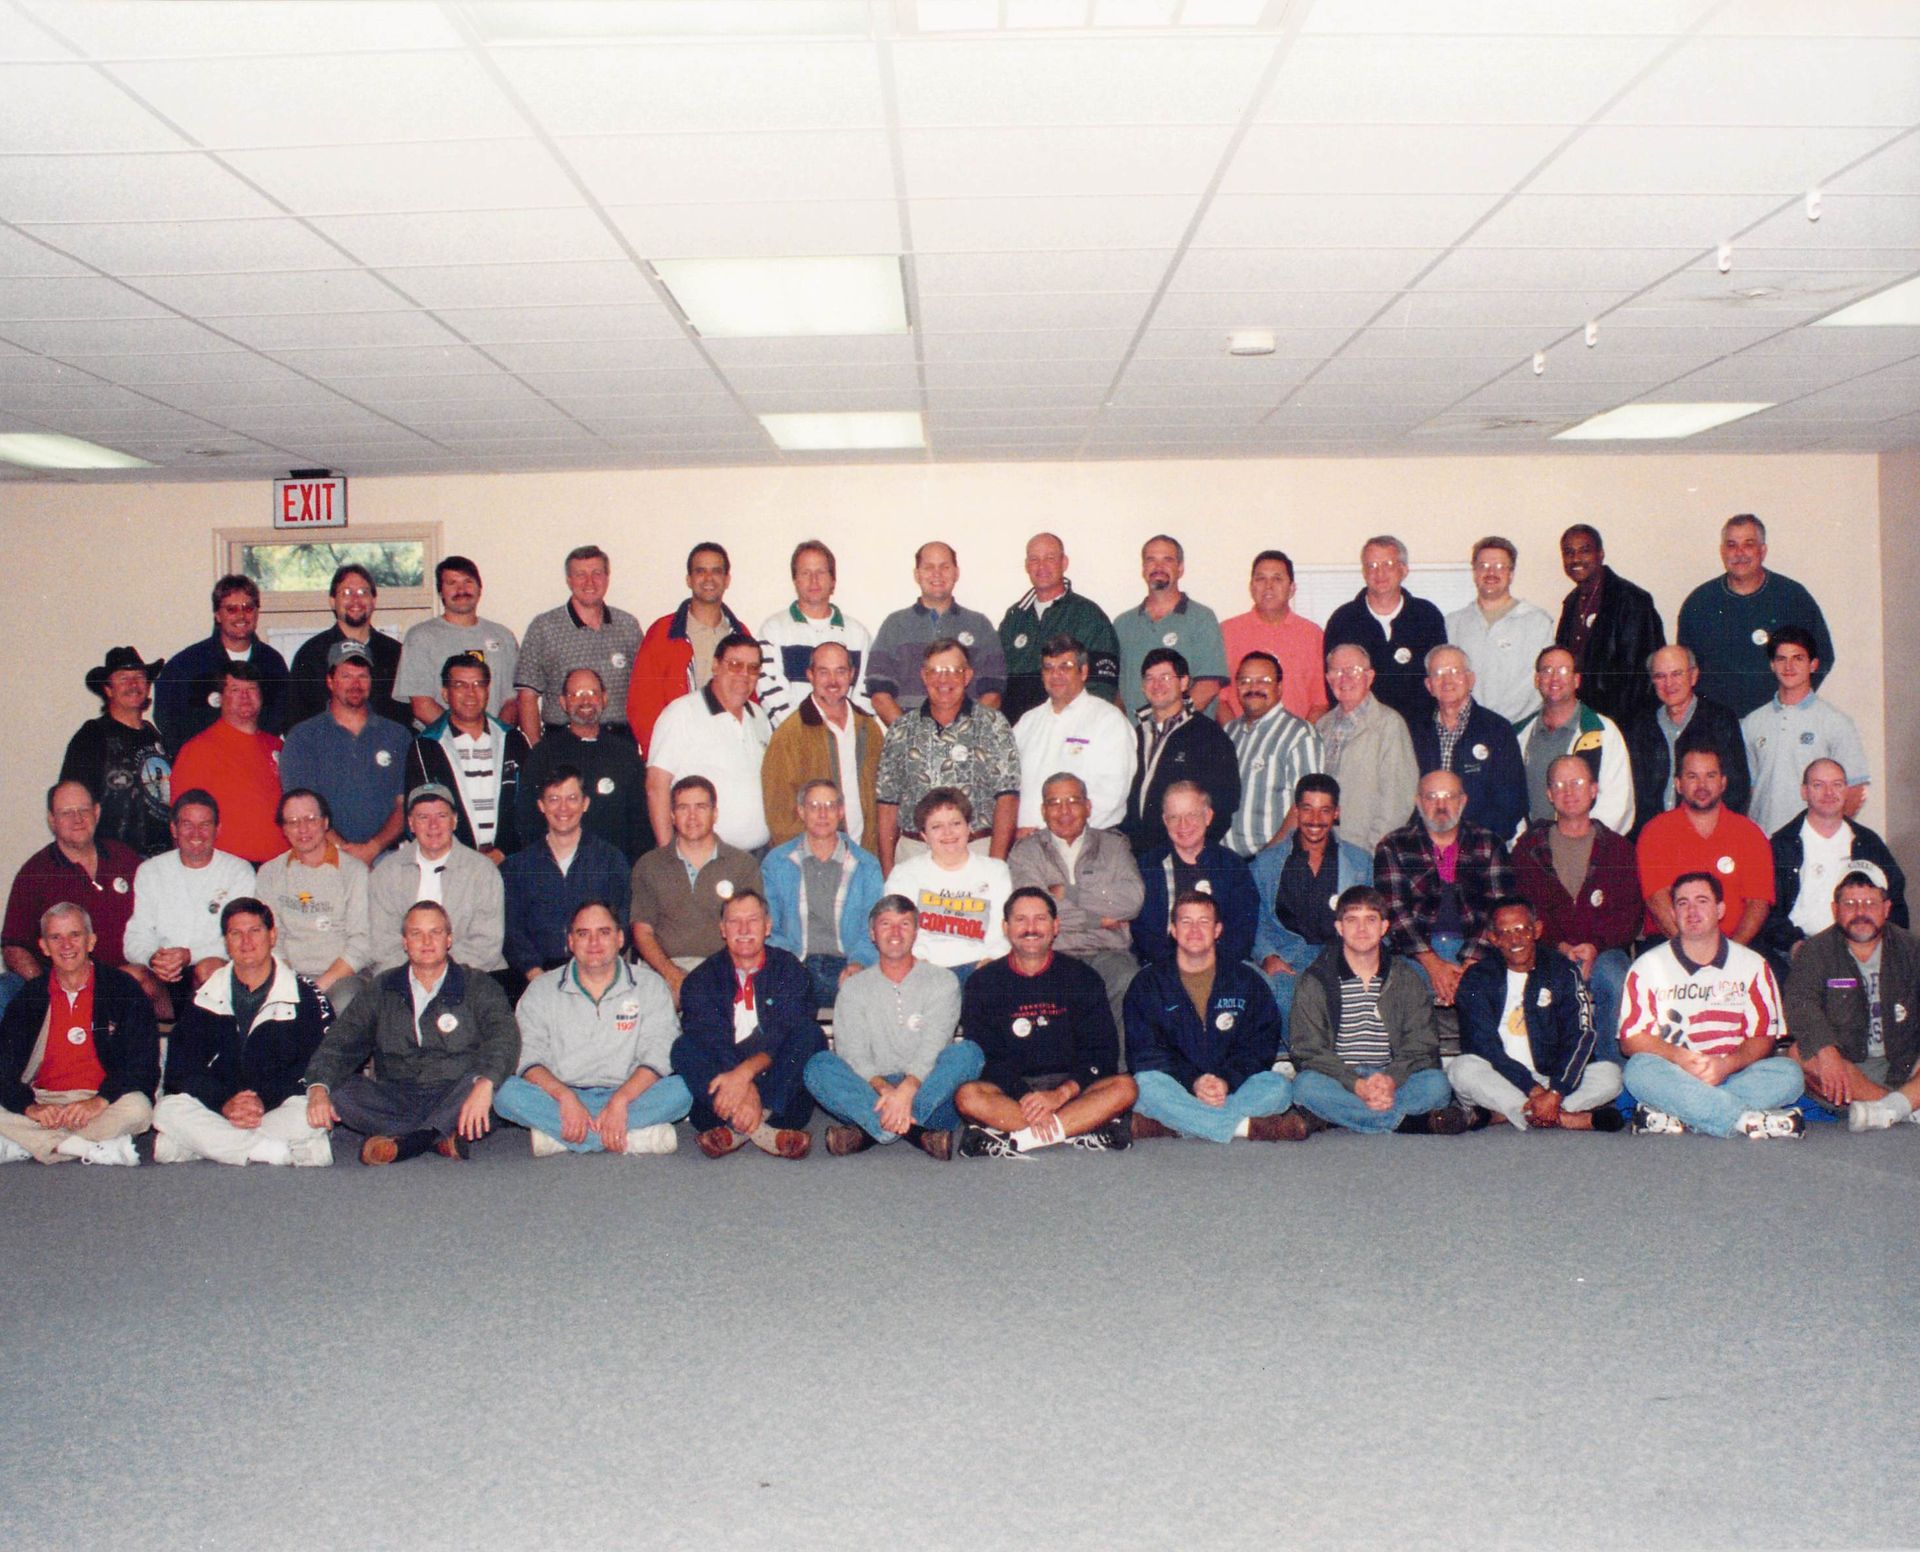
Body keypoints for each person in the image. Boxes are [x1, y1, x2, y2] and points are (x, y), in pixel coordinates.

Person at [302, 899, 521, 1165]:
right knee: (338, 1091)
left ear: (449, 939)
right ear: (405, 942)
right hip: (399, 1094)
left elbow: (505, 1038)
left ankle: (409, 1143)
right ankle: (441, 1135)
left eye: (435, 932)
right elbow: (341, 1041)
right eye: (416, 934)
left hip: (458, 1090)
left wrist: (485, 1084)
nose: (426, 941)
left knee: (496, 1084)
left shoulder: (477, 984)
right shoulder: (382, 988)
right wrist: (318, 1087)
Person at [492, 902, 692, 1156]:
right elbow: (527, 1054)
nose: (594, 942)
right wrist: (565, 1097)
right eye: (583, 934)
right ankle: (630, 1138)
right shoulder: (542, 989)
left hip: (632, 1095)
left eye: (604, 932)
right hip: (560, 1097)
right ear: (571, 942)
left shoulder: (650, 985)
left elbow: (660, 1052)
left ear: (620, 938)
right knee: (501, 1090)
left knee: (684, 1089)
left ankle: (567, 1138)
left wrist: (620, 1101)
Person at [1617, 871, 1803, 1138]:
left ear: (1720, 910)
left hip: (1734, 1073)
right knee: (1638, 1071)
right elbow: (1631, 1040)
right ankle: (1744, 1120)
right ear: (1672, 913)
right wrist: (1682, 1058)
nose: (1692, 910)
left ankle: (1683, 1115)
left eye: (1702, 901)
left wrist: (1726, 1065)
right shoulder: (1647, 966)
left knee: (1789, 1074)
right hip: (1675, 1074)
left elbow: (1762, 1038)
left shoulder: (1753, 965)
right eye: (1682, 903)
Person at [953, 888, 1136, 1156]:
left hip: (1070, 1089)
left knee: (1125, 1087)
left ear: (1055, 926)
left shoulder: (1082, 977)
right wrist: (1024, 1096)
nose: (1031, 928)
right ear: (1005, 927)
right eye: (1020, 920)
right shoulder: (983, 982)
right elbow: (985, 1056)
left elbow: (1103, 1053)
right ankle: (1077, 1126)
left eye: (1040, 919)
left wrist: (1060, 1095)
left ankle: (1019, 1138)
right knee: (967, 1096)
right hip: (1012, 1092)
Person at [151, 898, 333, 1166]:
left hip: (276, 1106)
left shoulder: (305, 995)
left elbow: (318, 1064)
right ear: (226, 941)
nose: (246, 942)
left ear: (272, 936)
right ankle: (269, 1150)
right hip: (219, 1107)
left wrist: (261, 1100)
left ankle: (203, 1144)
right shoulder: (204, 996)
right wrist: (225, 1102)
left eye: (255, 931)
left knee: (312, 1114)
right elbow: (181, 1070)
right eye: (236, 933)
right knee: (167, 1110)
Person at [803, 895, 980, 1159]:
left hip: (929, 1090)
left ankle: (870, 1132)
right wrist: (886, 1090)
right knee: (818, 1066)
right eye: (886, 924)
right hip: (871, 1089)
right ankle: (917, 1133)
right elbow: (853, 1054)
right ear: (872, 933)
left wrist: (907, 1090)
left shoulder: (943, 981)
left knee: (968, 1053)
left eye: (905, 924)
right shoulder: (854, 988)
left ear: (916, 932)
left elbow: (935, 1044)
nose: (895, 932)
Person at [1287, 886, 1465, 1134]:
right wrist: (1356, 1084)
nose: (1361, 929)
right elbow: (1308, 1050)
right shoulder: (1316, 979)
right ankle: (1408, 1123)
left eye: (1370, 920)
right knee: (1305, 1087)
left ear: (1384, 927)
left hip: (1394, 1076)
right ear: (1339, 928)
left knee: (1437, 1086)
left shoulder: (1406, 978)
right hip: (1340, 1078)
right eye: (1352, 920)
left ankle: (1343, 1116)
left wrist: (1391, 1079)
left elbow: (1422, 1045)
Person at [1125, 890, 1298, 1144]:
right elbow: (1145, 1053)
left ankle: (1180, 1123)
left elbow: (1260, 1046)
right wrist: (1193, 1081)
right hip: (1177, 1087)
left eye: (1204, 921)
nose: (1195, 929)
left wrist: (1226, 1080)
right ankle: (1243, 1127)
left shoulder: (1246, 980)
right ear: (1173, 929)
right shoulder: (1148, 984)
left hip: (1231, 1089)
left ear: (1217, 930)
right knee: (1145, 1084)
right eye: (1186, 921)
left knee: (1278, 1087)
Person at [0, 902, 158, 1166]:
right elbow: (3, 1067)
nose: (66, 945)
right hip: (45, 1099)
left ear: (91, 941)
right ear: (43, 946)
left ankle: (33, 1143)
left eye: (75, 935)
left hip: (102, 1101)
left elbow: (143, 1065)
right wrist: (31, 1107)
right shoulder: (31, 997)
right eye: (55, 937)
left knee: (140, 1109)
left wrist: (99, 1101)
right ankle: (81, 1146)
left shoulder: (122, 989)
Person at [670, 890, 825, 1160]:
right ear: (722, 929)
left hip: (777, 1080)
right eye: (734, 922)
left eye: (752, 920)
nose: (743, 929)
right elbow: (711, 1038)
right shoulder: (702, 978)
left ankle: (738, 1130)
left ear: (767, 927)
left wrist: (745, 1075)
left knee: (810, 1034)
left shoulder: (789, 969)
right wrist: (742, 1083)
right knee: (683, 1047)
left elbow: (784, 1032)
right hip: (724, 1081)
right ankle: (766, 1133)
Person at [1449, 897, 1624, 1131]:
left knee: (1611, 1075)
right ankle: (1562, 1117)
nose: (1515, 939)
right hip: (1503, 1077)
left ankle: (1512, 1112)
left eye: (1522, 929)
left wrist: (1556, 1091)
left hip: (1553, 1079)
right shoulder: (1477, 978)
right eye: (1505, 932)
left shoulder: (1562, 970)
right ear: (1494, 939)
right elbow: (1484, 1046)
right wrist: (1533, 1089)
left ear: (1537, 930)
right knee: (1461, 1069)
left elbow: (1581, 1035)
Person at [1509, 755, 1642, 1056]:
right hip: (1546, 951)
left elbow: (1629, 914)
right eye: (1559, 784)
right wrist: (1560, 946)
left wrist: (1594, 946)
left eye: (1578, 783)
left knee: (1618, 980)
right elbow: (1523, 910)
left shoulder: (1618, 849)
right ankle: (1553, 1083)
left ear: (1594, 789)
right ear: (1549, 795)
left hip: (1604, 952)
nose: (1569, 791)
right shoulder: (1528, 850)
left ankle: (1612, 1081)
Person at [1784, 868, 1920, 1131]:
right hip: (1848, 1066)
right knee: (1798, 1054)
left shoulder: (1911, 949)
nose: (1861, 912)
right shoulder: (1815, 951)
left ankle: (1890, 1108)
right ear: (1835, 910)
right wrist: (1826, 1049)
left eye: (1870, 903)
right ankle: (1901, 1107)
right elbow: (1800, 1002)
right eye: (1850, 904)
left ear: (1887, 908)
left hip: (1905, 1064)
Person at [1008, 771, 1145, 1029]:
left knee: (1128, 979)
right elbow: (1035, 915)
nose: (1064, 811)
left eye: (1073, 800)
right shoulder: (1026, 851)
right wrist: (1099, 918)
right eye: (1054, 803)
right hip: (1053, 950)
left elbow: (1132, 901)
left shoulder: (1114, 846)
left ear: (1088, 806)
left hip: (1108, 951)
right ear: (1043, 810)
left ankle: (1120, 1068)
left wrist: (1070, 893)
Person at [873, 639, 1020, 872]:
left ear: (967, 676)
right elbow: (887, 805)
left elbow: (1007, 799)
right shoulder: (901, 730)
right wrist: (889, 871)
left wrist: (996, 866)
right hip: (914, 853)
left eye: (953, 671)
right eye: (936, 671)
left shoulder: (993, 725)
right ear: (924, 675)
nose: (944, 680)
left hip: (977, 852)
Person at [3, 780, 147, 1017]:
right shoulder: (35, 872)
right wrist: (48, 989)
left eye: (83, 810)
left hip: (132, 985)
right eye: (67, 812)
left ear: (97, 812)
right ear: (52, 820)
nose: (77, 819)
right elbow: (14, 947)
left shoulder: (125, 859)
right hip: (66, 988)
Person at [1373, 770, 1515, 1007]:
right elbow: (1394, 912)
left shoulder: (1491, 844)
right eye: (1431, 796)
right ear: (1418, 802)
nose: (1441, 805)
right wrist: (1432, 964)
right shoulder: (1393, 846)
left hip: (1479, 950)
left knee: (1494, 992)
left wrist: (1469, 966)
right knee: (1397, 992)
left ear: (1463, 801)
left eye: (1449, 796)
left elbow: (1499, 910)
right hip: (1415, 954)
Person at [1677, 513, 1836, 718]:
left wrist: (1794, 700)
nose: (1739, 553)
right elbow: (1686, 668)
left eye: (1748, 544)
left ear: (1763, 550)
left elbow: (1823, 655)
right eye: (1732, 545)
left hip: (1780, 721)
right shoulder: (1699, 603)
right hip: (1718, 726)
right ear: (1722, 552)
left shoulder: (1792, 597)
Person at [628, 776, 763, 1007]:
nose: (692, 817)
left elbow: (750, 930)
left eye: (701, 807)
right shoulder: (649, 865)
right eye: (683, 808)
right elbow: (642, 932)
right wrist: (672, 975)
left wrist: (717, 977)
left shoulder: (742, 864)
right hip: (665, 971)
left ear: (715, 813)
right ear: (671, 815)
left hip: (725, 971)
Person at [1760, 759, 1907, 970]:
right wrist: (1793, 945)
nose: (1829, 793)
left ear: (1846, 790)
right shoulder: (1782, 845)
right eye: (1818, 785)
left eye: (1837, 784)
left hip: (1860, 948)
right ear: (1804, 792)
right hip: (1801, 951)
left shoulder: (1868, 843)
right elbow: (1767, 911)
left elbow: (1895, 900)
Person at [123, 790, 257, 1016]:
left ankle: (201, 1040)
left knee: (209, 970)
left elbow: (242, 940)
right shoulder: (150, 870)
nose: (196, 833)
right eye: (187, 824)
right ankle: (161, 1040)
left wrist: (189, 955)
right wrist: (153, 958)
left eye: (205, 825)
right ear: (174, 829)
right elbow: (135, 936)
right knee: (129, 976)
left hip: (210, 967)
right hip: (162, 972)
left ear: (217, 829)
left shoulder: (238, 871)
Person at [1251, 774, 1372, 1023]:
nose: (1315, 820)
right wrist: (1268, 956)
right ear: (1296, 811)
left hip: (1343, 958)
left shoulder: (1359, 862)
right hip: (1289, 959)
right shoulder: (1266, 864)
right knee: (1284, 999)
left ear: (1336, 813)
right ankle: (1308, 1062)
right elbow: (1255, 920)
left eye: (1324, 810)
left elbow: (1373, 920)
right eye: (1307, 809)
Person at [278, 641, 410, 865]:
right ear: (330, 681)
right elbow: (302, 809)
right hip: (325, 858)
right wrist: (344, 851)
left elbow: (405, 803)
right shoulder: (302, 738)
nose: (355, 684)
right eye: (346, 676)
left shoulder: (398, 735)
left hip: (389, 858)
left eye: (363, 676)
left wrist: (373, 848)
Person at [502, 768, 632, 990]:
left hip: (598, 972)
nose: (563, 808)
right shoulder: (518, 867)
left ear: (585, 803)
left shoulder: (610, 860)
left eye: (572, 798)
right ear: (541, 806)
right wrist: (535, 974)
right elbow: (512, 930)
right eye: (554, 799)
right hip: (536, 978)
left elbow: (622, 921)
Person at [763, 779, 884, 1010]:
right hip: (795, 961)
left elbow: (873, 927)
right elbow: (771, 928)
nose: (822, 813)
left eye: (830, 805)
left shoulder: (866, 865)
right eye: (814, 805)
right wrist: (788, 963)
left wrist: (859, 963)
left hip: (846, 962)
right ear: (801, 811)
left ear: (841, 812)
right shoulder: (777, 862)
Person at [645, 634, 772, 854]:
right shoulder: (682, 713)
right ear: (715, 665)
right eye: (735, 665)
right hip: (703, 857)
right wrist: (669, 859)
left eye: (753, 668)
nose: (744, 674)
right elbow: (656, 786)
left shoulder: (759, 716)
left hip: (758, 857)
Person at [1636, 746, 1773, 947]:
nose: (1702, 785)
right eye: (1692, 776)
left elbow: (1758, 903)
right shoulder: (1656, 832)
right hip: (1671, 944)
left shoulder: (1750, 833)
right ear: (1678, 784)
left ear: (1723, 782)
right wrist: (1693, 951)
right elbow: (1658, 901)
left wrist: (1731, 954)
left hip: (1737, 945)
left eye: (1710, 776)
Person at [366, 785, 506, 979]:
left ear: (454, 821)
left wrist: (440, 976)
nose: (433, 825)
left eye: (441, 816)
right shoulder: (387, 872)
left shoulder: (482, 871)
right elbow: (382, 943)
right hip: (402, 978)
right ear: (411, 824)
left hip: (471, 975)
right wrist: (416, 978)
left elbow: (486, 943)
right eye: (423, 817)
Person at [252, 788, 373, 1013]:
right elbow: (271, 938)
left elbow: (362, 942)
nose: (303, 829)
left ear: (325, 823)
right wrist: (290, 983)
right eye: (293, 821)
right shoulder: (270, 873)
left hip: (341, 977)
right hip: (288, 974)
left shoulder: (354, 872)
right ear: (284, 829)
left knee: (344, 1002)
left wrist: (316, 989)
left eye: (310, 819)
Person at [628, 541, 753, 757]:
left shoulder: (740, 634)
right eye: (700, 571)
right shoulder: (663, 633)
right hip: (678, 754)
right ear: (689, 579)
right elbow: (642, 705)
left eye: (716, 571)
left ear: (727, 580)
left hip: (729, 754)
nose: (708, 578)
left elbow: (752, 700)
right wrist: (661, 757)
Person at [514, 668, 651, 864]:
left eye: (592, 693)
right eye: (576, 694)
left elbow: (641, 824)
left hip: (614, 873)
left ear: (604, 698)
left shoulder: (625, 754)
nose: (585, 701)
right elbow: (528, 821)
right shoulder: (543, 755)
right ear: (563, 702)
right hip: (557, 870)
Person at [1741, 626, 1869, 834]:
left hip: (1813, 843)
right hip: (1763, 842)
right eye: (1781, 659)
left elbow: (1854, 791)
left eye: (1798, 658)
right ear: (1772, 665)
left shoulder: (1836, 722)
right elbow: (1750, 790)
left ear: (1813, 664)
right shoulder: (1752, 723)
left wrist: (1827, 837)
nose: (1789, 666)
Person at [760, 641, 882, 855]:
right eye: (823, 672)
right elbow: (779, 816)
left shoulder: (869, 729)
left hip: (864, 857)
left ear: (852, 675)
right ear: (810, 675)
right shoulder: (789, 735)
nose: (833, 681)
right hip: (814, 861)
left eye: (840, 671)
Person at [406, 653, 529, 863]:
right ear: (445, 693)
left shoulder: (513, 740)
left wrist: (501, 852)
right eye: (460, 685)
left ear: (487, 691)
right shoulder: (426, 745)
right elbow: (420, 814)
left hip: (509, 859)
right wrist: (466, 859)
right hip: (451, 863)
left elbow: (529, 805)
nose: (470, 693)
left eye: (478, 684)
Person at [866, 541, 1006, 724]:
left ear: (956, 572)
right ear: (917, 574)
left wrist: (964, 736)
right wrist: (911, 738)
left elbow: (993, 693)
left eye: (945, 567)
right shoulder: (894, 625)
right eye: (928, 567)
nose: (937, 573)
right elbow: (879, 694)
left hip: (967, 744)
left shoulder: (980, 625)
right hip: (910, 745)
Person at [515, 543, 642, 744]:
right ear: (569, 580)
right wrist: (536, 752)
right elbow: (527, 696)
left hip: (618, 741)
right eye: (580, 574)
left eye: (597, 573)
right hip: (562, 740)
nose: (590, 581)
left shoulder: (628, 625)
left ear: (607, 578)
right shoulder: (544, 627)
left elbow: (642, 690)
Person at [1121, 647, 1241, 857]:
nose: (1157, 685)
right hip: (1136, 857)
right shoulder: (1135, 735)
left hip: (1184, 857)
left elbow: (1224, 804)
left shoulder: (1209, 736)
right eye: (1150, 678)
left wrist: (1193, 853)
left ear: (1184, 682)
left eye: (1165, 677)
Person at [882, 788, 1014, 978]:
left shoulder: (995, 871)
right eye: (936, 826)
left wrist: (991, 960)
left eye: (955, 823)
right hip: (924, 968)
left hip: (981, 966)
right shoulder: (904, 874)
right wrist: (917, 960)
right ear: (924, 836)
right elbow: (899, 931)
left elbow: (1002, 930)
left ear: (969, 827)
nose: (948, 833)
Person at [153, 573, 290, 754]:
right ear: (217, 615)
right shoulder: (187, 664)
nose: (241, 615)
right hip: (204, 767)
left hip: (255, 763)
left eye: (248, 608)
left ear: (257, 612)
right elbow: (166, 718)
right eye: (231, 609)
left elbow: (283, 716)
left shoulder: (272, 663)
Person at [1013, 635, 1136, 834]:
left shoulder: (1108, 720)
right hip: (1027, 845)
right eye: (1049, 667)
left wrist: (1052, 834)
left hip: (1089, 841)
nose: (1056, 674)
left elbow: (1112, 793)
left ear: (1084, 671)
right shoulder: (1027, 722)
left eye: (1065, 666)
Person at [1323, 534, 1448, 726]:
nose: (1379, 573)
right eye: (1372, 566)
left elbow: (1440, 678)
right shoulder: (1343, 621)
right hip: (1360, 731)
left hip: (1418, 730)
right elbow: (1332, 685)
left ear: (1404, 570)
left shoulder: (1426, 617)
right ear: (1364, 572)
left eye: (1388, 564)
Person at [169, 661, 286, 864]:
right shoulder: (198, 750)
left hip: (280, 869)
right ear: (220, 698)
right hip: (229, 872)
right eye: (234, 690)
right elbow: (182, 824)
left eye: (251, 689)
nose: (244, 697)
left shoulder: (277, 746)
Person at [61, 644, 172, 857]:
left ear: (148, 686)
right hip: (113, 862)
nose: (133, 684)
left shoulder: (155, 735)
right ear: (108, 689)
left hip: (161, 864)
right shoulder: (92, 736)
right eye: (123, 678)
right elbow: (72, 804)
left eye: (139, 677)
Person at [997, 531, 1120, 722]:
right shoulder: (1014, 618)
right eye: (1034, 559)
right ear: (1027, 566)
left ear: (1064, 563)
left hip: (1070, 729)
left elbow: (1102, 687)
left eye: (1050, 558)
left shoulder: (1088, 615)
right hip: (1017, 731)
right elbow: (997, 680)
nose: (1042, 566)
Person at [1626, 644, 1751, 835]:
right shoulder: (1640, 725)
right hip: (1651, 836)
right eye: (1660, 676)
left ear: (1693, 676)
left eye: (1677, 674)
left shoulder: (1719, 721)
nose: (1669, 683)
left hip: (1704, 835)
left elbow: (1736, 789)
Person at [1407, 643, 1525, 843]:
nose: (1447, 680)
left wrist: (1466, 842)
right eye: (1438, 673)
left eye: (1455, 671)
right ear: (1429, 685)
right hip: (1422, 847)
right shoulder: (1414, 731)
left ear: (1470, 679)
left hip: (1479, 848)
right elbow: (1404, 795)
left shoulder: (1497, 730)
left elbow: (1512, 803)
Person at [1133, 781, 1257, 969]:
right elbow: (1145, 934)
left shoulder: (1232, 866)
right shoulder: (1148, 867)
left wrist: (1209, 965)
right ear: (1165, 821)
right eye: (1174, 817)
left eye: (1191, 814)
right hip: (1162, 967)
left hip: (1223, 966)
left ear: (1208, 816)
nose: (1183, 825)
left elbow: (1242, 930)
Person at [1553, 524, 1665, 730]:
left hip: (1622, 725)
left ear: (1600, 554)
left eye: (1584, 550)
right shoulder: (1571, 603)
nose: (1576, 559)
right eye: (1569, 553)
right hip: (1582, 721)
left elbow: (1642, 677)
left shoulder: (1631, 601)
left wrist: (1615, 729)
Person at [1514, 647, 1634, 835]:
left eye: (1563, 670)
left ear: (1576, 680)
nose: (1554, 678)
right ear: (1537, 680)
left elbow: (1618, 802)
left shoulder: (1603, 732)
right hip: (1534, 853)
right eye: (1547, 671)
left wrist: (1580, 844)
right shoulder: (1519, 735)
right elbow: (1514, 800)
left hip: (1588, 851)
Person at [755, 539, 874, 727]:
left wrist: (847, 733)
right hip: (793, 741)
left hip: (846, 743)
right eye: (805, 573)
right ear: (795, 580)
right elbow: (768, 688)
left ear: (833, 580)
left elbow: (865, 691)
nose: (814, 580)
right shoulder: (773, 630)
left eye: (821, 572)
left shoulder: (857, 635)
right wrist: (805, 733)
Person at [1315, 643, 1419, 851]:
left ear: (1370, 677)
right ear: (1328, 679)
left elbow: (1397, 802)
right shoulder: (1321, 726)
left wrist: (1372, 853)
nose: (1344, 678)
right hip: (1323, 849)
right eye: (1337, 671)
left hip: (1364, 850)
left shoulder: (1389, 724)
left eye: (1353, 670)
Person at [393, 554, 519, 726]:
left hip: (495, 746)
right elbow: (421, 704)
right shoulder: (420, 637)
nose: (462, 590)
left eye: (468, 582)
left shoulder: (503, 636)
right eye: (452, 583)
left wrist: (494, 738)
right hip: (440, 744)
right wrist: (462, 738)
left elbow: (512, 700)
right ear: (441, 592)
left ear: (479, 589)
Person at [1445, 536, 1556, 724]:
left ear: (1511, 574)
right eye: (1484, 566)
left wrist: (1503, 725)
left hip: (1520, 729)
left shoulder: (1537, 622)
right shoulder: (1453, 623)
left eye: (1499, 566)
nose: (1491, 572)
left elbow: (1541, 680)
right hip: (1466, 728)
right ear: (1474, 573)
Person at [1114, 534, 1228, 716]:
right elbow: (1117, 691)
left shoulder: (1202, 619)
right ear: (1143, 569)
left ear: (1180, 569)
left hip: (1186, 738)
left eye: (1167, 560)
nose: (1158, 567)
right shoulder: (1123, 624)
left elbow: (1208, 686)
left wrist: (1168, 726)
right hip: (1136, 740)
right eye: (1151, 560)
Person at [1222, 650, 1321, 858]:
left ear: (1279, 687)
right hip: (1228, 864)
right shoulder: (1228, 733)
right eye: (1245, 681)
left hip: (1274, 862)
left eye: (1264, 681)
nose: (1253, 688)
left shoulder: (1299, 735)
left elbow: (1307, 807)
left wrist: (1267, 860)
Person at [286, 562, 408, 727]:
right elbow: (296, 719)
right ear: (332, 601)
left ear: (374, 601)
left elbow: (406, 716)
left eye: (363, 592)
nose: (355, 600)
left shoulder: (395, 653)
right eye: (346, 592)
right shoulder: (311, 654)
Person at [1216, 549, 1327, 725]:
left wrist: (1298, 739)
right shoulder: (1227, 632)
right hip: (1241, 744)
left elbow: (1320, 702)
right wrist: (1236, 739)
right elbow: (1219, 699)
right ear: (1252, 587)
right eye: (1261, 579)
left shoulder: (1312, 635)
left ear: (1292, 588)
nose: (1268, 586)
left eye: (1277, 579)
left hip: (1295, 743)